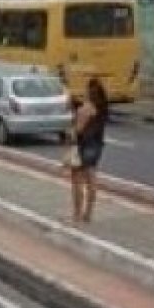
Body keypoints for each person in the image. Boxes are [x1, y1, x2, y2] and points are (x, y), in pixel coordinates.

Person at [67, 78, 108, 225]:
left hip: (81, 146)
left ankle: (76, 216)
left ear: (89, 92)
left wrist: (70, 130)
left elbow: (77, 130)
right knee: (92, 181)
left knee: (77, 182)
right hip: (96, 147)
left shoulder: (86, 109)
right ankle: (88, 215)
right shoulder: (102, 109)